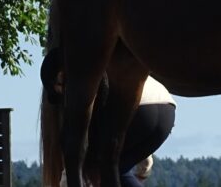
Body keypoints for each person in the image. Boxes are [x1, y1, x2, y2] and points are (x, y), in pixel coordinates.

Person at [44, 49, 176, 187]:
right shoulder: (99, 64)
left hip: (138, 111)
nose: (61, 96)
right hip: (167, 110)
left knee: (108, 170)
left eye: (58, 88)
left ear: (61, 76)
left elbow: (76, 151)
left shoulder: (82, 88)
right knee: (118, 170)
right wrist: (144, 166)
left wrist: (66, 181)